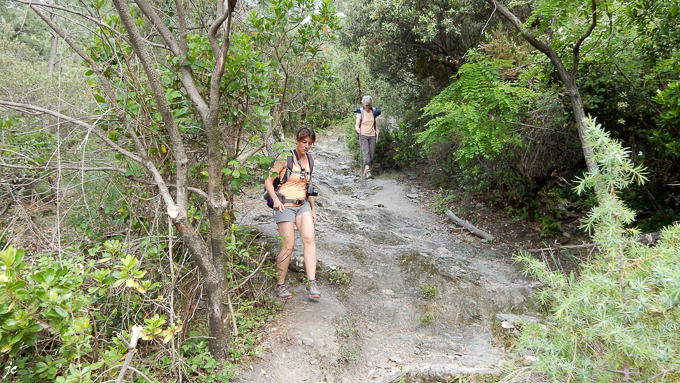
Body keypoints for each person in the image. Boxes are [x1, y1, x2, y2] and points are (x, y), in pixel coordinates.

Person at [264, 126, 320, 300]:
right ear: (297, 139)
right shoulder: (285, 157)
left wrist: (313, 209)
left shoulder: (310, 159)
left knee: (310, 239)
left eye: (310, 143)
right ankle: (279, 285)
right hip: (285, 205)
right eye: (304, 142)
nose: (306, 146)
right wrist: (276, 200)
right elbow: (268, 180)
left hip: (302, 205)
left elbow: (307, 187)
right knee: (288, 245)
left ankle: (311, 283)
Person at [354, 95, 381, 179]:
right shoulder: (360, 112)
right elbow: (357, 124)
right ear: (363, 105)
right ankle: (367, 171)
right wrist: (358, 129)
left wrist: (377, 129)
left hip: (372, 135)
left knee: (371, 153)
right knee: (366, 152)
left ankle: (367, 170)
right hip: (363, 135)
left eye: (369, 105)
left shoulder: (373, 111)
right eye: (366, 105)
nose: (368, 107)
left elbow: (374, 122)